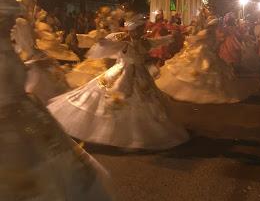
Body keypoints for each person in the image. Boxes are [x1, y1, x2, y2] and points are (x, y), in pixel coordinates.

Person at [48, 14, 189, 150]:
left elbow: (158, 41)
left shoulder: (144, 42)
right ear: (133, 29)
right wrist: (100, 36)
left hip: (141, 76)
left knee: (144, 102)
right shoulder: (123, 41)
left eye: (142, 28)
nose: (143, 31)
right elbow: (105, 46)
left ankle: (135, 133)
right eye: (139, 29)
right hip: (121, 72)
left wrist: (171, 37)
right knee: (113, 99)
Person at [156, 17, 240, 104]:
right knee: (197, 74)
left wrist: (186, 38)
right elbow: (202, 40)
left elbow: (197, 39)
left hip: (203, 53)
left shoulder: (209, 33)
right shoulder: (210, 33)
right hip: (202, 53)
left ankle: (195, 92)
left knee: (196, 74)